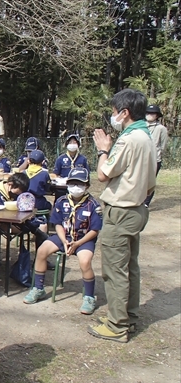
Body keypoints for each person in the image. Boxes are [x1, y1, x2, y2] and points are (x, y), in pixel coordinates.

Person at [89, 88, 156, 343]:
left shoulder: (128, 140)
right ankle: (128, 316)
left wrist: (103, 150)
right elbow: (150, 183)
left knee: (115, 270)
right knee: (130, 267)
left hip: (121, 211)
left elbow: (104, 174)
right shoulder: (147, 136)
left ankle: (117, 326)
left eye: (115, 112)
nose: (113, 116)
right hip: (138, 209)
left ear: (125, 112)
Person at [23, 168, 102, 313]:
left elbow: (94, 230)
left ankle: (89, 297)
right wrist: (64, 240)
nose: (76, 187)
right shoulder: (61, 201)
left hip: (83, 240)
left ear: (87, 186)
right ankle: (38, 288)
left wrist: (77, 243)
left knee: (85, 261)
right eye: (72, 183)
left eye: (80, 184)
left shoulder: (93, 205)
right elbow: (58, 224)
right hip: (63, 237)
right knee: (42, 251)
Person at [144, 104, 168, 207]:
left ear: (157, 116)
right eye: (148, 112)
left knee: (150, 182)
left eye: (152, 113)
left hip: (155, 159)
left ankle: (146, 203)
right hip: (141, 158)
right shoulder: (141, 125)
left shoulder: (161, 129)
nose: (149, 115)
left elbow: (163, 145)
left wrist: (156, 153)